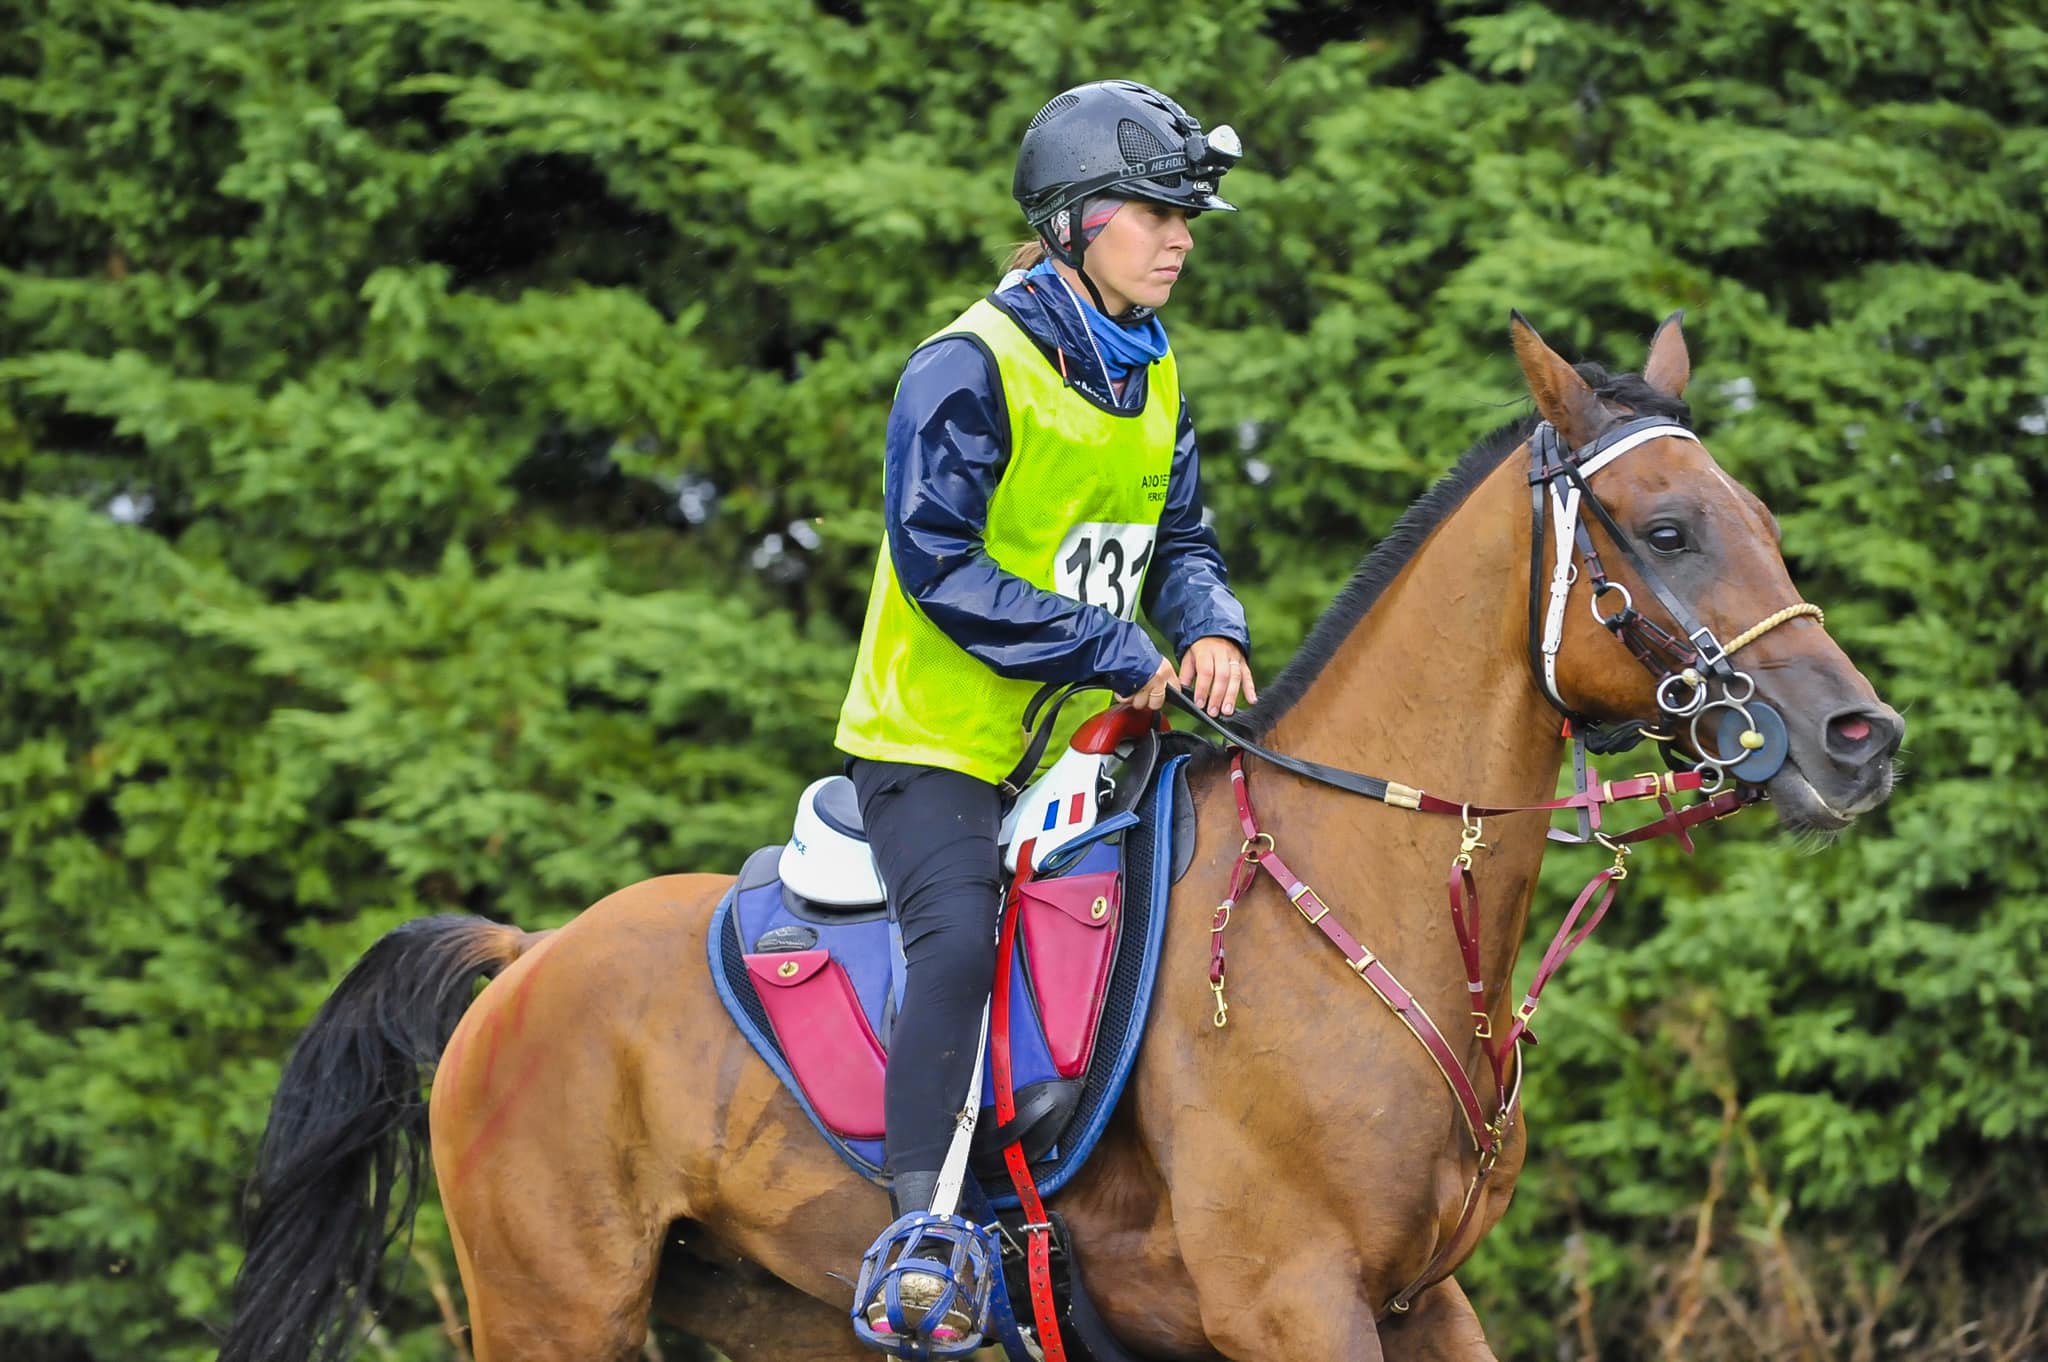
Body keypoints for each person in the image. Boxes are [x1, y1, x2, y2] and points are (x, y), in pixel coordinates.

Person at [834, 78, 1254, 1341]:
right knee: (960, 940)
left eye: (1186, 220)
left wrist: (1210, 625)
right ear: (1074, 221)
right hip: (934, 749)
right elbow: (937, 563)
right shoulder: (965, 364)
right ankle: (920, 1235)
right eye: (1155, 215)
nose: (1179, 242)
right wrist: (1113, 645)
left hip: (1085, 748)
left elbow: (1180, 539)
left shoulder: (1152, 367)